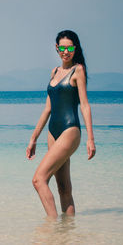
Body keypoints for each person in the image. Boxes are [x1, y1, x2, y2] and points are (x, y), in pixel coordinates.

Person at [26, 30, 96, 218]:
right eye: (62, 48)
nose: (66, 51)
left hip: (70, 130)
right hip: (53, 132)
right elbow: (47, 109)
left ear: (75, 48)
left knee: (38, 180)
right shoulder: (54, 72)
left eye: (70, 47)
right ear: (57, 48)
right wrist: (33, 138)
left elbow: (85, 105)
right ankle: (67, 233)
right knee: (64, 188)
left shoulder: (78, 70)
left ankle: (52, 228)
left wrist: (90, 139)